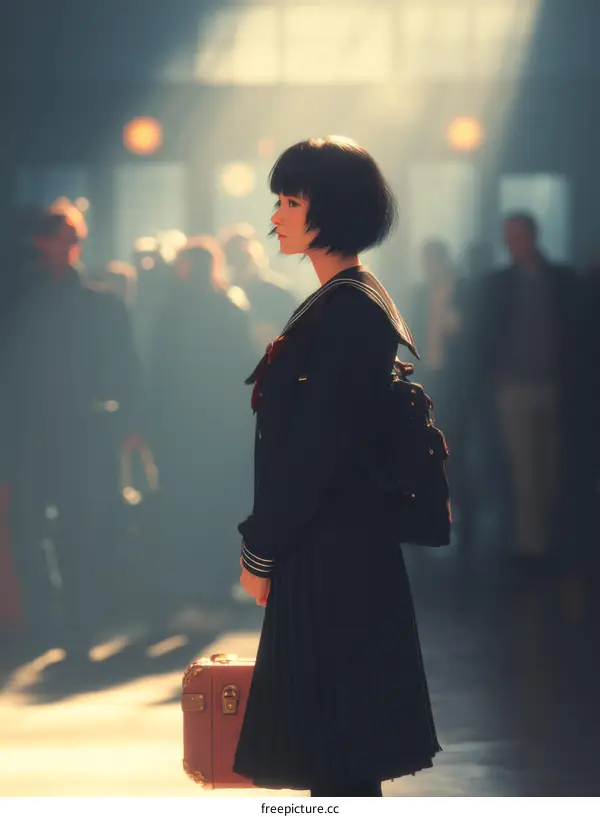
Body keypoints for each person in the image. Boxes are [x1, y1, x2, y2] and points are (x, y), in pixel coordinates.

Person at [233, 136, 441, 797]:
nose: (277, 217)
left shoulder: (348, 309)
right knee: (338, 748)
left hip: (333, 549)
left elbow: (316, 449)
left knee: (336, 750)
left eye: (290, 201)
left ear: (333, 208)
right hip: (337, 543)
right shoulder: (350, 299)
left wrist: (261, 546)